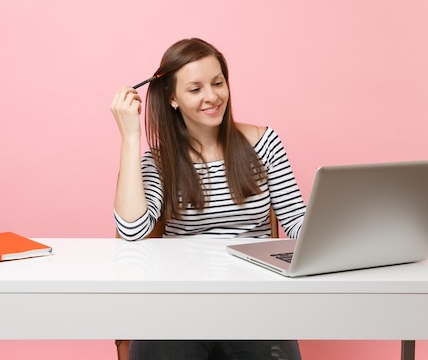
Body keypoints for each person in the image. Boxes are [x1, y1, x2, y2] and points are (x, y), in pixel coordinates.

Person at [110, 38, 307, 360]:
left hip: (253, 304)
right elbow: (132, 232)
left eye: (218, 83)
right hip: (177, 304)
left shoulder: (265, 143)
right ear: (172, 98)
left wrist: (339, 227)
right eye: (195, 89)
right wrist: (131, 136)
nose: (212, 97)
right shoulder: (159, 162)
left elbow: (297, 222)